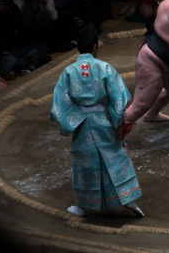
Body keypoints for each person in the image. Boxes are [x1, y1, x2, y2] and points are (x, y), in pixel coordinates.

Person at [50, 23, 144, 218]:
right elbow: (119, 98)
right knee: (115, 157)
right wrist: (119, 122)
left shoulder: (68, 71)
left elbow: (60, 103)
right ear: (95, 47)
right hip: (104, 121)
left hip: (82, 124)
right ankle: (128, 198)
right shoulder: (105, 68)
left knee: (86, 162)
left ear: (79, 47)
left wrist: (70, 121)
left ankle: (81, 206)